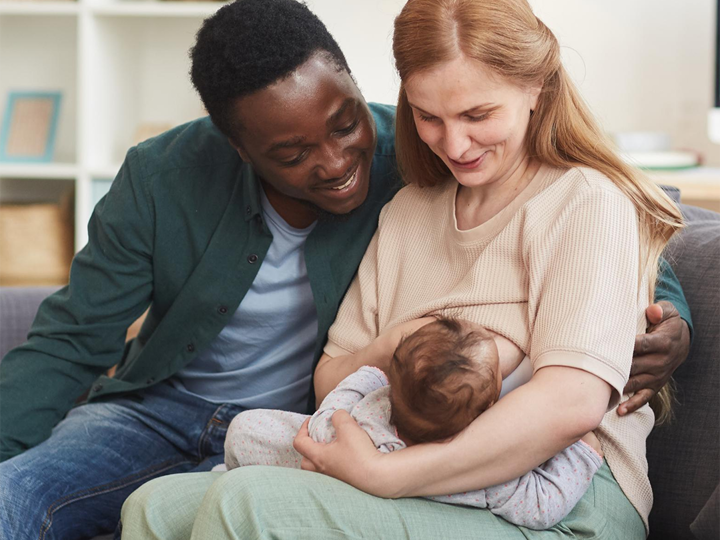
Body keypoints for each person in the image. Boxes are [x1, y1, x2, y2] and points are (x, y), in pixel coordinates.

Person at [0, 0, 689, 538]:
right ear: (239, 147)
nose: (454, 142)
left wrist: (673, 320)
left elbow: (588, 341)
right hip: (301, 434)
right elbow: (331, 373)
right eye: (430, 117)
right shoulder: (409, 204)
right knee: (147, 509)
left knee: (247, 504)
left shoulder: (549, 191)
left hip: (549, 486)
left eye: (478, 114)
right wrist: (399, 342)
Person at [222, 316, 604, 530]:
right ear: (492, 404)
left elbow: (329, 413)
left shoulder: (366, 419)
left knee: (246, 429)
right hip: (402, 496)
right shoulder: (488, 476)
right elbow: (542, 505)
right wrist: (585, 447)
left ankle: (226, 472)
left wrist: (370, 378)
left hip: (336, 472)